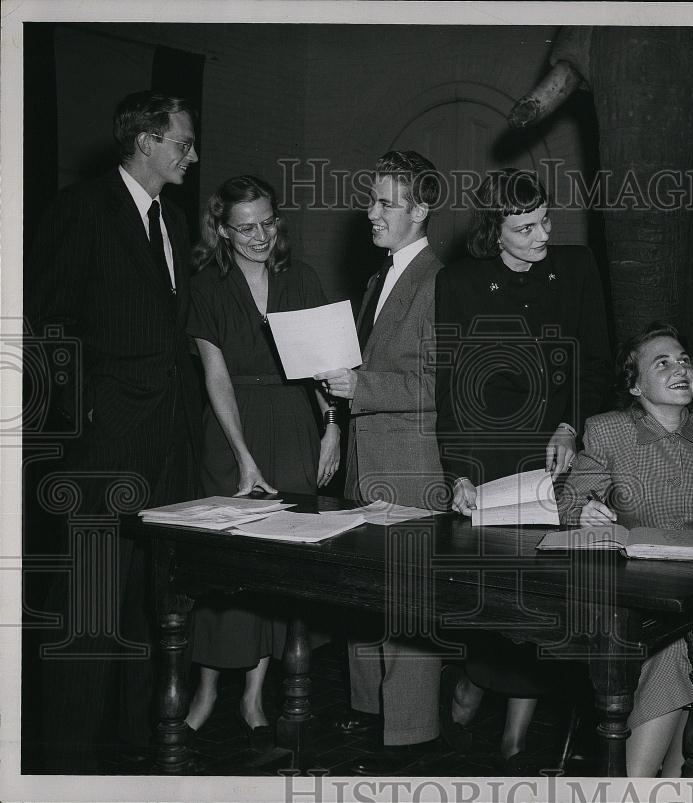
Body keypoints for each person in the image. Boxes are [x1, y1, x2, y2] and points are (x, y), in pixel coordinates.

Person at [25, 90, 203, 772]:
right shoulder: (81, 209)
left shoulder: (173, 219)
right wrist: (84, 419)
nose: (193, 154)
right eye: (183, 142)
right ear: (146, 142)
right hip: (106, 443)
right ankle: (65, 762)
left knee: (147, 600)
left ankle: (134, 743)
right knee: (89, 601)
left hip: (168, 439)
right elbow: (48, 322)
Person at [434, 168, 611, 772]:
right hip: (487, 450)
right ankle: (470, 684)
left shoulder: (577, 267)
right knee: (492, 593)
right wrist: (458, 471)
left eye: (545, 220)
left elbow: (595, 358)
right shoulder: (459, 281)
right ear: (494, 230)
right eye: (525, 228)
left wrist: (571, 425)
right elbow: (452, 382)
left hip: (553, 452)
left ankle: (515, 737)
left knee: (542, 594)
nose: (543, 235)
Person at [560, 322, 693, 777]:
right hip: (629, 600)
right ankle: (655, 785)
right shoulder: (608, 431)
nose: (681, 369)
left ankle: (641, 785)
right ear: (635, 386)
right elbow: (570, 503)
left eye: (685, 360)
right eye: (663, 363)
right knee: (683, 649)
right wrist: (584, 513)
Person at [182, 175, 339, 747]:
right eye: (245, 227)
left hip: (294, 424)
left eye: (268, 222)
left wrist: (331, 427)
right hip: (232, 428)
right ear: (222, 230)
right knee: (224, 563)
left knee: (280, 562)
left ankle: (253, 695)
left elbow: (324, 367)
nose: (259, 236)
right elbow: (215, 376)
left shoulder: (303, 278)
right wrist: (243, 458)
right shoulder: (206, 285)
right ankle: (205, 691)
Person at [315, 150, 447, 776]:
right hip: (367, 459)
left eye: (386, 203)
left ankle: (411, 735)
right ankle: (370, 713)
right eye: (372, 199)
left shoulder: (438, 280)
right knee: (364, 593)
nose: (371, 212)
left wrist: (358, 386)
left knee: (406, 601)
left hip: (411, 466)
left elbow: (439, 385)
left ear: (421, 211)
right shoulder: (378, 279)